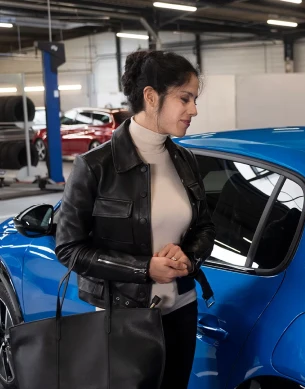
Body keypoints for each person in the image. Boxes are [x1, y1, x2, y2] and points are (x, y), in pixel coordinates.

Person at [55, 49, 216, 389]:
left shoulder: (185, 159)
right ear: (151, 96)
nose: (194, 110)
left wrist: (189, 256)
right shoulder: (94, 166)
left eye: (194, 100)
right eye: (185, 99)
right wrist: (143, 269)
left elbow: (204, 228)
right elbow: (69, 249)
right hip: (124, 317)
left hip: (182, 309)